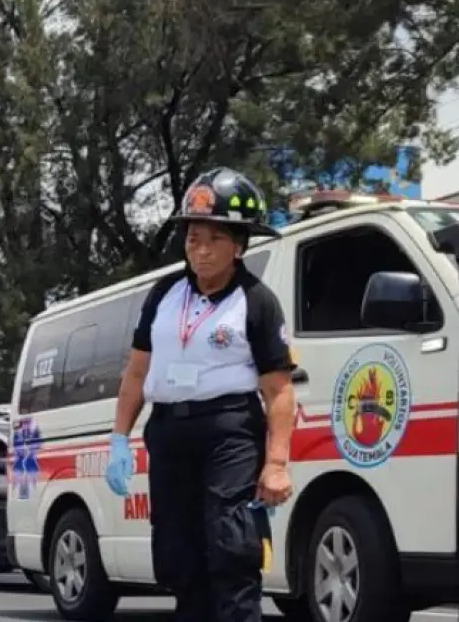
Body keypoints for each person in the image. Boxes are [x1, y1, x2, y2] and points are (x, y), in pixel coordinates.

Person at [104, 168, 297, 622]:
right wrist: (118, 439)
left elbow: (279, 390)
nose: (202, 250)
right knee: (176, 555)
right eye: (193, 239)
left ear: (239, 246)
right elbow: (135, 374)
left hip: (229, 431)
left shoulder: (256, 301)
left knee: (231, 548)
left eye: (214, 240)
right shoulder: (164, 294)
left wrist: (276, 463)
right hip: (170, 432)